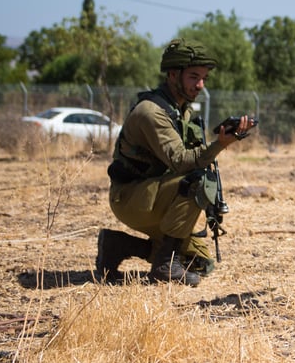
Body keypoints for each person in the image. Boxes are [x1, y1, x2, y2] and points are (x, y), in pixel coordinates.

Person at [99, 38, 252, 285]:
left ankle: (117, 245)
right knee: (197, 181)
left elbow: (190, 157)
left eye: (204, 78)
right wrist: (221, 143)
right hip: (131, 198)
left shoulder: (181, 111)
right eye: (193, 77)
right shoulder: (151, 112)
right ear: (172, 74)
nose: (200, 85)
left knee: (200, 263)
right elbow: (182, 162)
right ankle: (165, 264)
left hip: (155, 195)